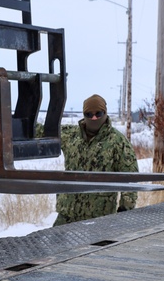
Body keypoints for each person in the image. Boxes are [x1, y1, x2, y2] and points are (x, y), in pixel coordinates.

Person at [53, 94, 139, 226]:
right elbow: (42, 131)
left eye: (98, 114)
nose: (94, 118)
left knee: (100, 248)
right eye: (89, 114)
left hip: (100, 219)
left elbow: (130, 180)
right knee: (55, 246)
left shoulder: (117, 142)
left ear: (105, 113)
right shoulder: (70, 135)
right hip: (67, 214)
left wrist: (124, 211)